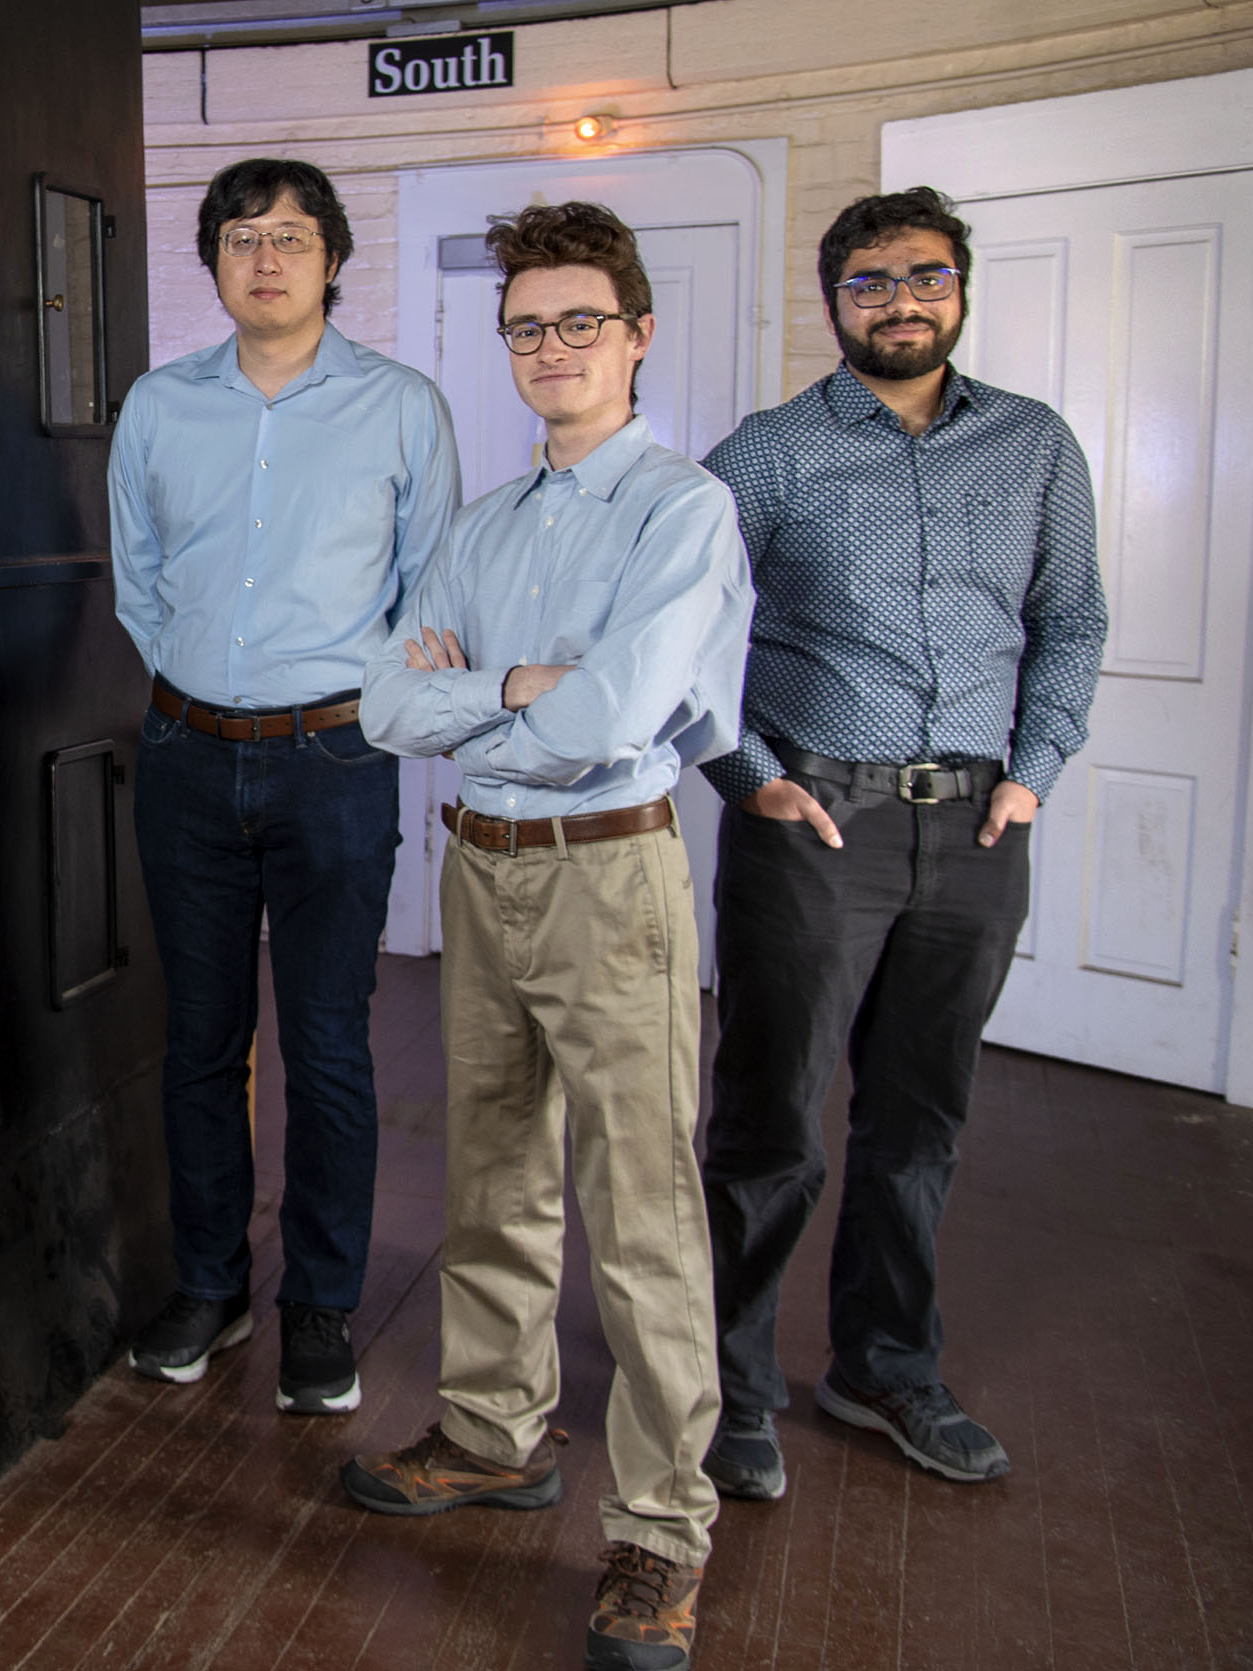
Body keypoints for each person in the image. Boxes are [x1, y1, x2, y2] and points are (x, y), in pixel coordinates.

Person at [348, 204, 752, 1671]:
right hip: (482, 867)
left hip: (609, 877)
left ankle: (659, 1524)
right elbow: (388, 704)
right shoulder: (483, 523)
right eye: (527, 325)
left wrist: (493, 689)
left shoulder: (682, 511)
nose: (552, 347)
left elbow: (614, 720)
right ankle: (493, 1428)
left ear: (639, 334)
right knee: (497, 1167)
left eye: (581, 320)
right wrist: (524, 681)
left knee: (641, 1203)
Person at [698, 187, 1105, 1499]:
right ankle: (729, 1381)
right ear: (834, 300)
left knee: (919, 1117)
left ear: (961, 289)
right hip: (815, 817)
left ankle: (881, 1362)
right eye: (870, 281)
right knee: (771, 1120)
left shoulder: (1035, 445)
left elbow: (1074, 620)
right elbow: (680, 628)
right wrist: (748, 778)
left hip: (979, 821)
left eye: (923, 275)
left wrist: (1034, 774)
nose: (899, 300)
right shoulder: (768, 451)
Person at [106, 157, 458, 1415]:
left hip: (334, 762)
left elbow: (431, 594)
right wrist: (201, 686)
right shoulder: (158, 406)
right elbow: (136, 581)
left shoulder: (402, 406)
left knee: (325, 1045)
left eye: (293, 237)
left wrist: (352, 705)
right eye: (243, 236)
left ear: (331, 259)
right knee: (199, 1044)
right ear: (212, 261)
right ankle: (210, 1285)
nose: (267, 258)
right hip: (187, 756)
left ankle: (319, 1303)